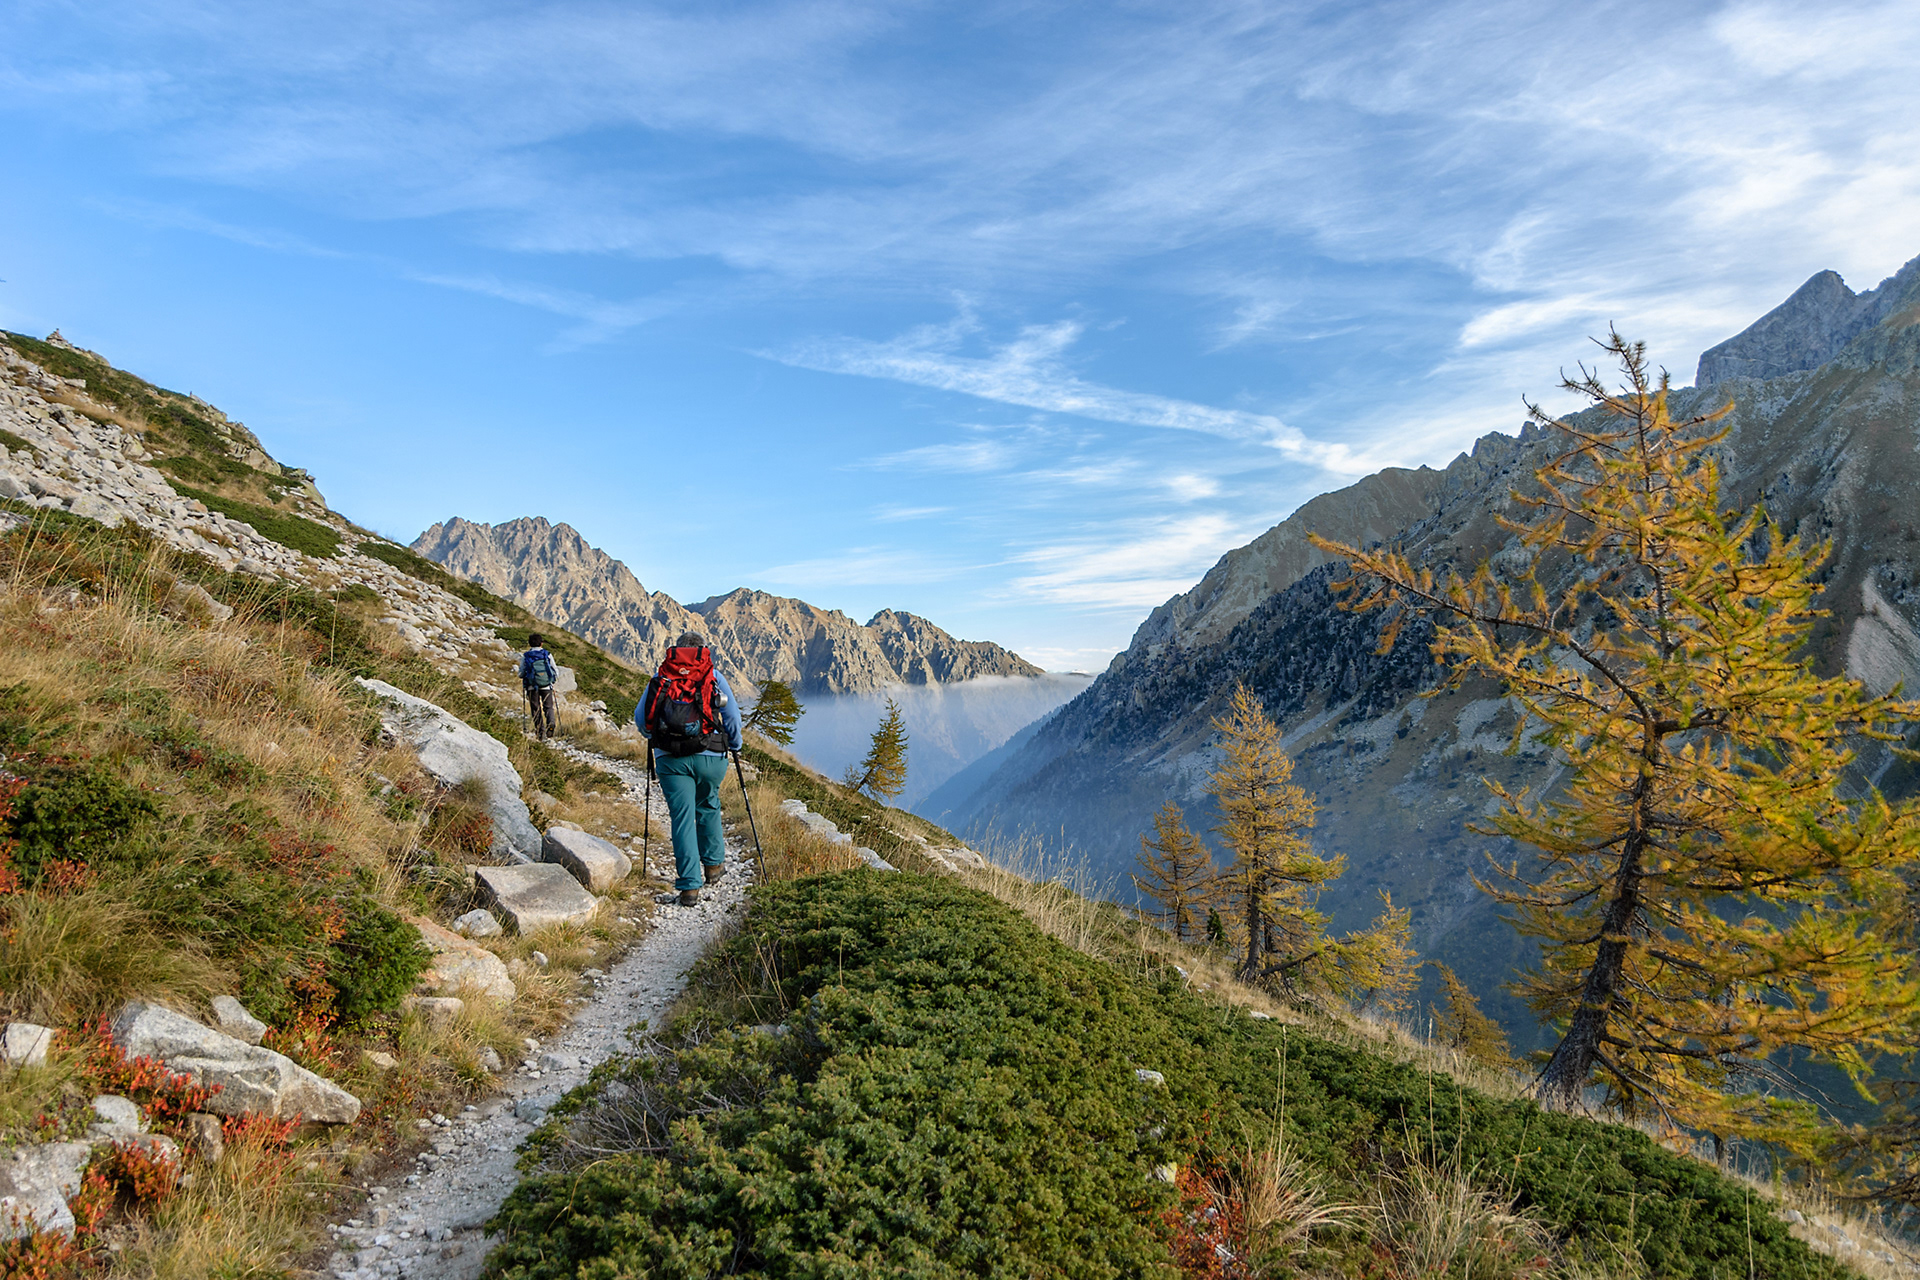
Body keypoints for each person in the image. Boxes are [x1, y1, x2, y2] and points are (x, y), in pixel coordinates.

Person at [637, 631, 743, 907]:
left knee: (682, 818)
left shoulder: (663, 677)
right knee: (708, 805)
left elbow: (641, 719)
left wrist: (658, 739)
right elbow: (731, 717)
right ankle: (714, 867)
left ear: (677, 651)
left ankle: (689, 888)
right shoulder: (714, 676)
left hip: (671, 759)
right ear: (701, 651)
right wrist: (736, 744)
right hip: (711, 755)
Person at [520, 633, 560, 740]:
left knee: (535, 709)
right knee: (548, 707)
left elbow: (521, 673)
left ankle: (540, 733)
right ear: (541, 643)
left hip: (532, 687)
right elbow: (555, 670)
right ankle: (551, 723)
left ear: (530, 643)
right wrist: (552, 680)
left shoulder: (526, 656)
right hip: (546, 686)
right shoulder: (547, 654)